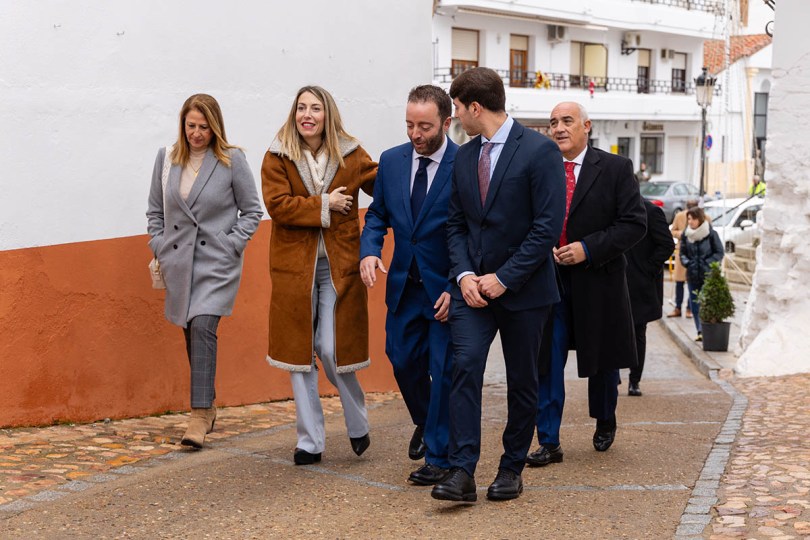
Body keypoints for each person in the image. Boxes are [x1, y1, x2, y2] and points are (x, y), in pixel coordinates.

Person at [430, 67, 565, 503]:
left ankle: (511, 468)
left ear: (475, 107)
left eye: (457, 108)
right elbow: (455, 224)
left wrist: (505, 278)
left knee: (522, 380)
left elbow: (547, 227)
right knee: (464, 367)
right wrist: (464, 276)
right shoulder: (464, 156)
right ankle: (461, 471)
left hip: (525, 290)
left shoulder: (540, 151)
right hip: (472, 290)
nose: (455, 117)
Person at [262, 86, 377, 465]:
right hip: (293, 269)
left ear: (328, 114)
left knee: (330, 348)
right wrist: (326, 203)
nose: (306, 115)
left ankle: (358, 422)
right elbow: (278, 205)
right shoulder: (277, 155)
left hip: (339, 267)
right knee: (298, 356)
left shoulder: (351, 154)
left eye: (315, 108)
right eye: (301, 108)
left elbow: (383, 185)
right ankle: (309, 442)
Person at [527, 102, 646, 469]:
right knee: (547, 362)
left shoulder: (615, 168)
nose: (559, 128)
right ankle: (548, 440)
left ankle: (605, 417)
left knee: (602, 362)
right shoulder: (539, 169)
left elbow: (634, 224)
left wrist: (587, 249)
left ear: (587, 126)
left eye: (567, 121)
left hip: (598, 282)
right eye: (553, 123)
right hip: (550, 283)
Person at [146, 94, 263, 448]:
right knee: (190, 331)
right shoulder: (167, 158)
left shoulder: (231, 160)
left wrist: (231, 245)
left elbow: (252, 211)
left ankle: (198, 416)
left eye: (204, 127)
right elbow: (155, 212)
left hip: (216, 263)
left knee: (202, 326)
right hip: (179, 263)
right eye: (191, 126)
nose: (196, 134)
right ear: (182, 124)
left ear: (215, 127)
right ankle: (208, 406)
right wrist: (159, 246)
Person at [359, 85, 457, 486]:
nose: (415, 134)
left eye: (425, 127)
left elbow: (473, 232)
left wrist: (457, 282)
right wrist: (369, 251)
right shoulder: (391, 161)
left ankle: (439, 457)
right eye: (409, 125)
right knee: (401, 360)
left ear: (446, 123)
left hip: (445, 290)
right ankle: (425, 420)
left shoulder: (464, 164)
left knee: (443, 370)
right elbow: (377, 215)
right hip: (403, 286)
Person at [625, 200, 674, 396]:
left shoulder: (651, 211)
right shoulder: (614, 209)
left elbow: (667, 244)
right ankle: (612, 375)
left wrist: (647, 269)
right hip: (614, 281)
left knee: (638, 331)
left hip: (640, 284)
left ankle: (634, 380)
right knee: (612, 330)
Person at [680, 207, 724, 341]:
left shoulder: (711, 234)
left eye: (693, 218)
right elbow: (682, 253)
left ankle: (705, 330)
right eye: (689, 219)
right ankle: (700, 330)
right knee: (694, 304)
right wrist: (688, 263)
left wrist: (707, 263)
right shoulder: (686, 235)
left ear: (700, 219)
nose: (690, 221)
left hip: (707, 274)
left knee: (704, 302)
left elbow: (719, 252)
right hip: (692, 275)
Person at [669, 199, 709, 319]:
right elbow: (673, 230)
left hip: (698, 254)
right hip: (683, 251)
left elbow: (709, 233)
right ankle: (678, 307)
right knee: (679, 282)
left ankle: (689, 308)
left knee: (694, 283)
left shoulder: (705, 217)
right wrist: (681, 234)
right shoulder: (680, 216)